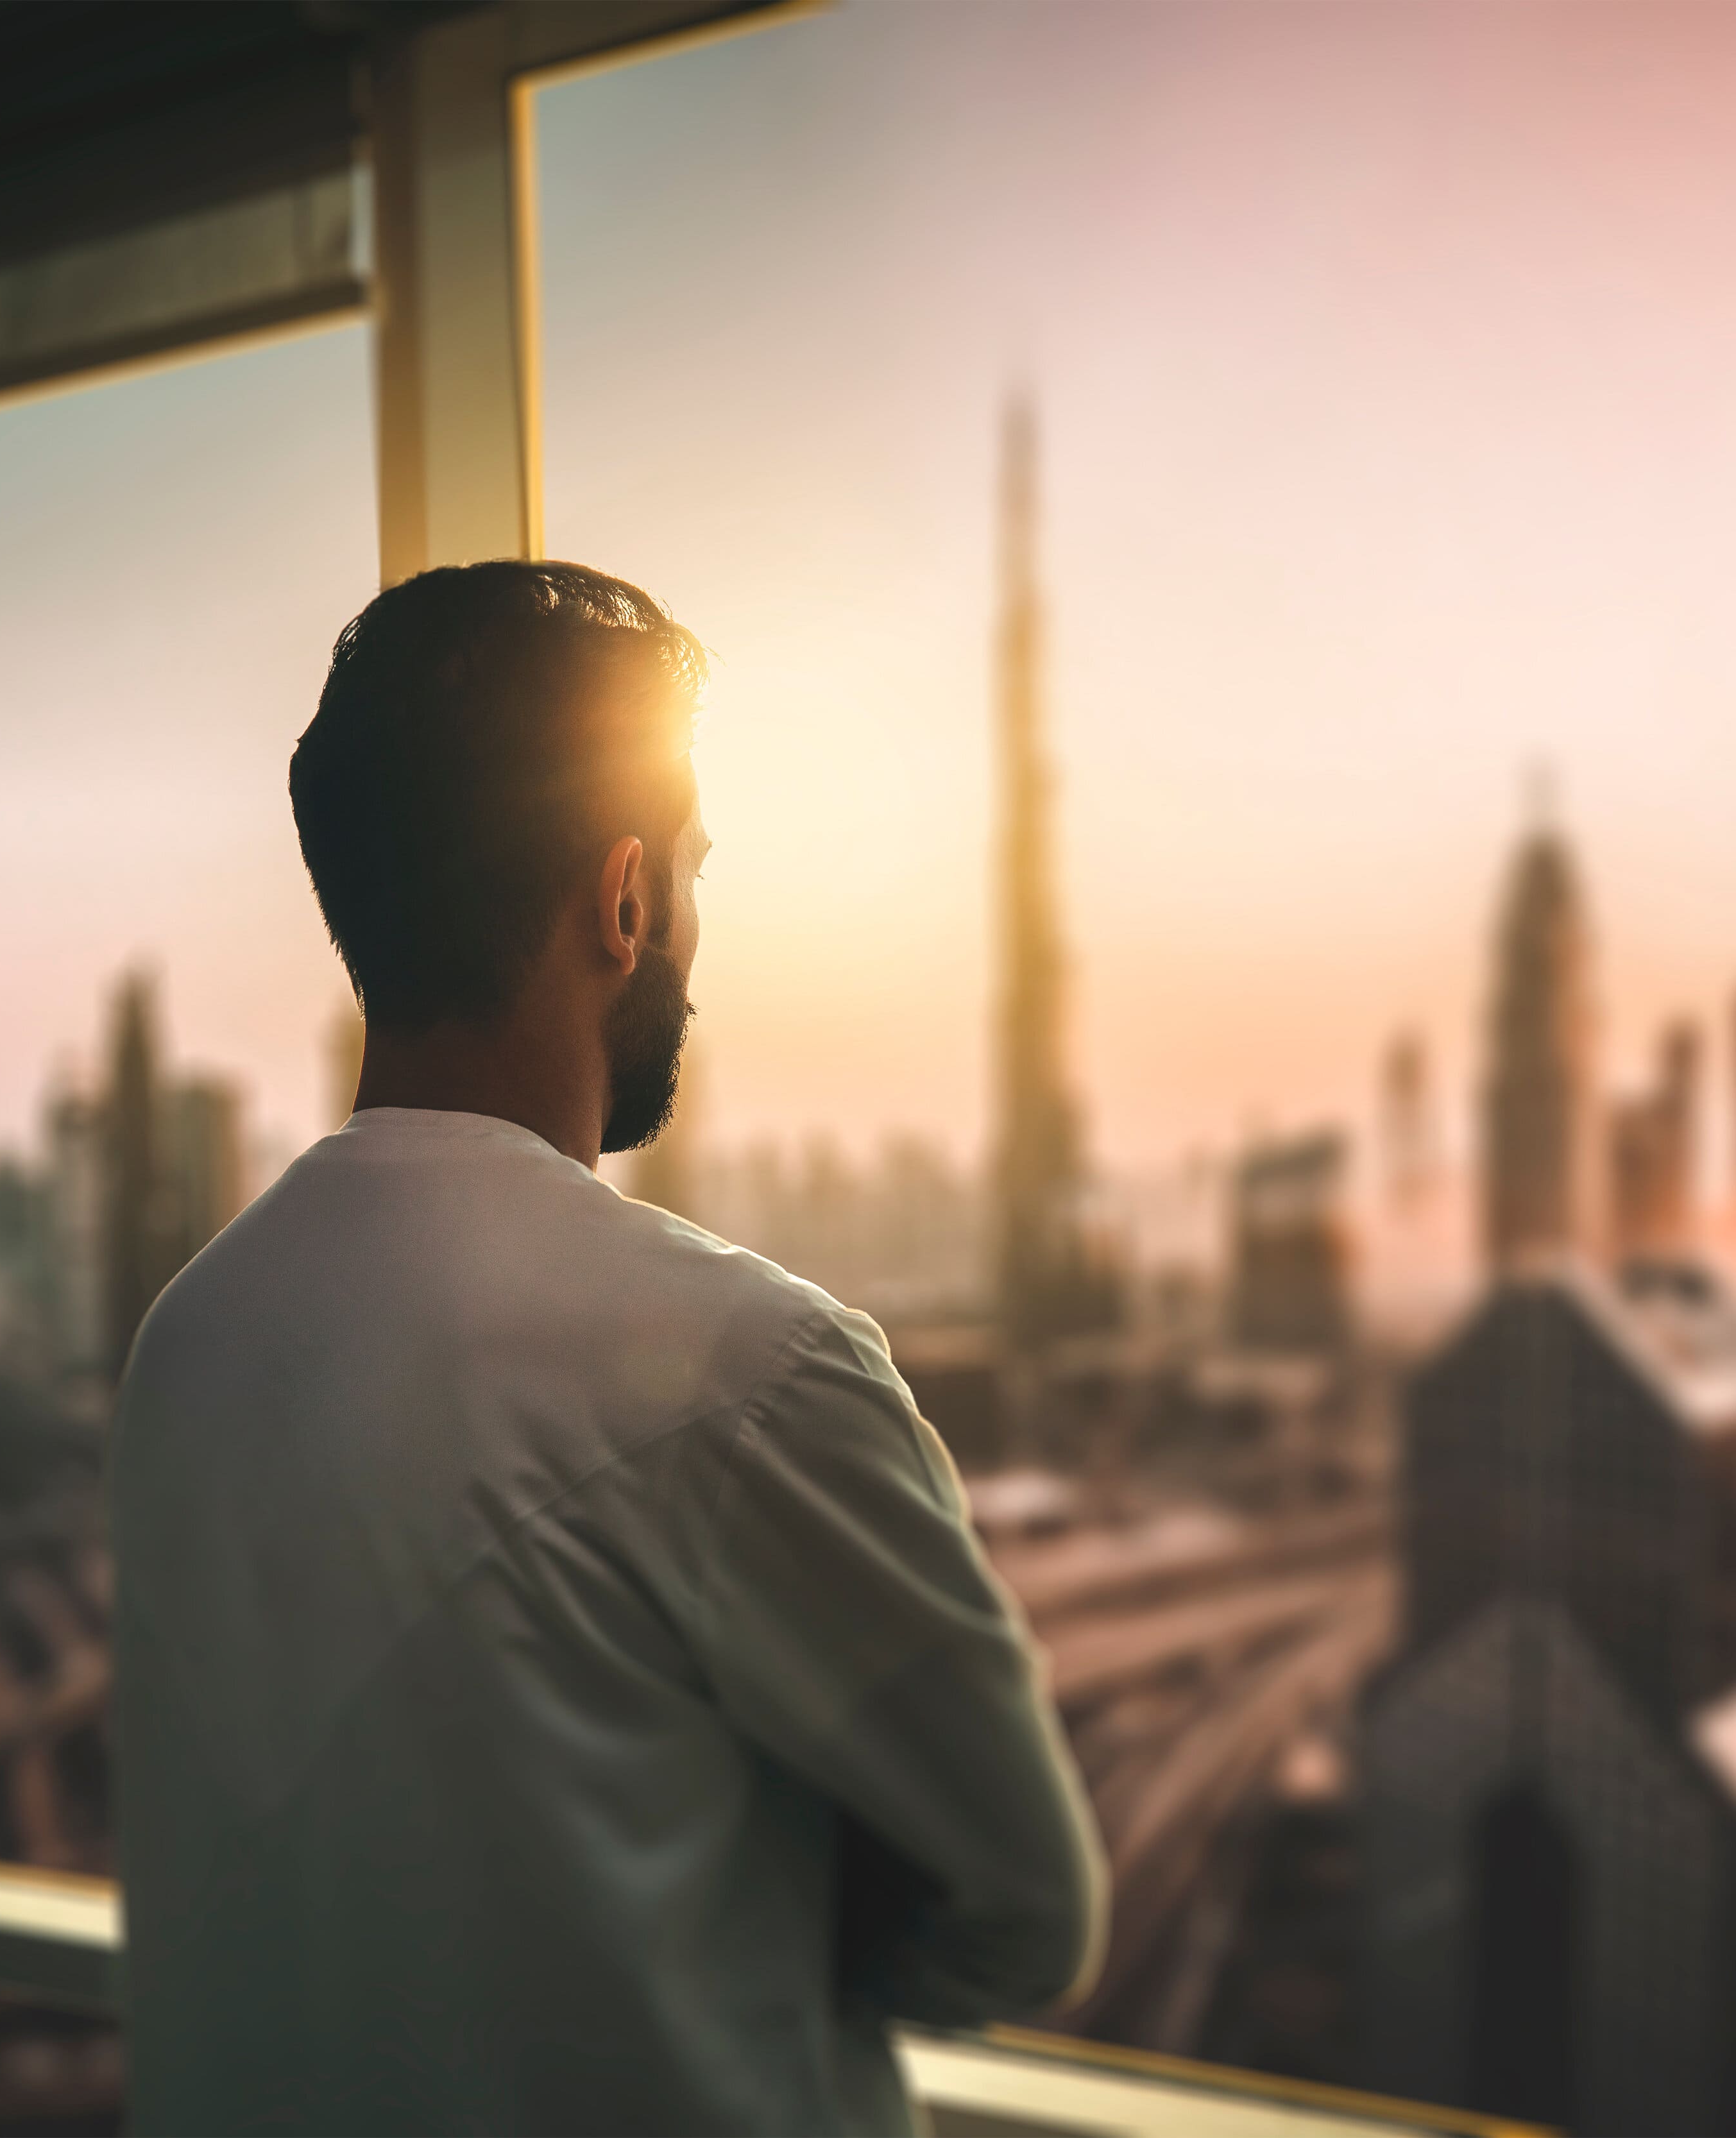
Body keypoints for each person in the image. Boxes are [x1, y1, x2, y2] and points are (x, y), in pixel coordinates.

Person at [110, 562, 1104, 2135]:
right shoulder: (756, 1371)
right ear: (624, 897)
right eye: (694, 872)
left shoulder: (192, 1336)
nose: (696, 933)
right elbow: (1025, 1905)